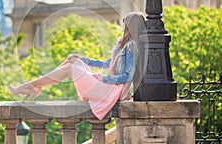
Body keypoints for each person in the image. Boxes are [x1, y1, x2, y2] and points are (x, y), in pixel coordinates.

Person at [9, 12, 145, 120]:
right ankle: (32, 86)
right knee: (73, 60)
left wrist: (102, 78)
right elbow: (107, 64)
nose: (122, 27)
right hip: (106, 87)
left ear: (129, 26)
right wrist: (83, 59)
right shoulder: (122, 45)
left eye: (124, 24)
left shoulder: (132, 46)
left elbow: (128, 76)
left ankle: (30, 87)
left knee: (70, 68)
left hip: (110, 90)